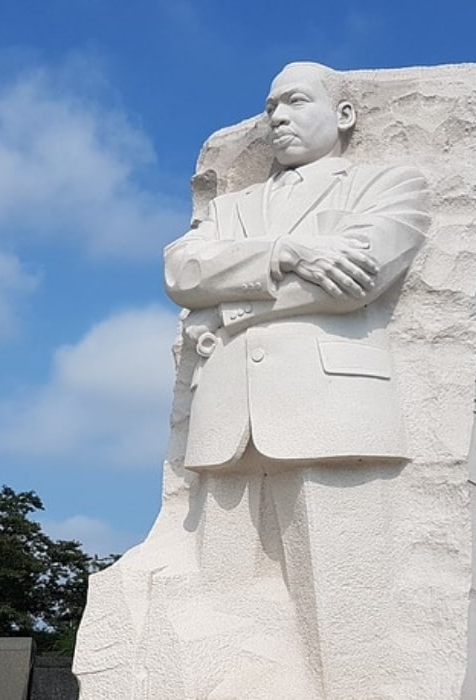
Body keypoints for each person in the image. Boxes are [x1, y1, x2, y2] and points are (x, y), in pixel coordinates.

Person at [164, 61, 430, 471]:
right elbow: (182, 271)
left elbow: (355, 281)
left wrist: (224, 310)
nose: (278, 117)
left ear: (344, 115)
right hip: (223, 418)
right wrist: (285, 253)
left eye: (296, 101)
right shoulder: (229, 207)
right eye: (271, 108)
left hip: (334, 410)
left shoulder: (388, 185)